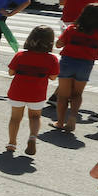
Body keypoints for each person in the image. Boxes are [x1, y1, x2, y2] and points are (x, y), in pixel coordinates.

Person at [54, 4, 98, 133]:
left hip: (68, 61)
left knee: (63, 95)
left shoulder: (73, 28)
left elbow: (58, 44)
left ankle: (60, 122)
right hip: (86, 64)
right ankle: (73, 116)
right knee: (77, 94)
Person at [5, 25, 59, 155]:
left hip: (17, 91)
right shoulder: (52, 59)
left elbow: (11, 72)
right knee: (35, 117)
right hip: (37, 93)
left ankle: (12, 143)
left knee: (15, 118)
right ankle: (32, 137)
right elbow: (53, 77)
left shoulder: (21, 55)